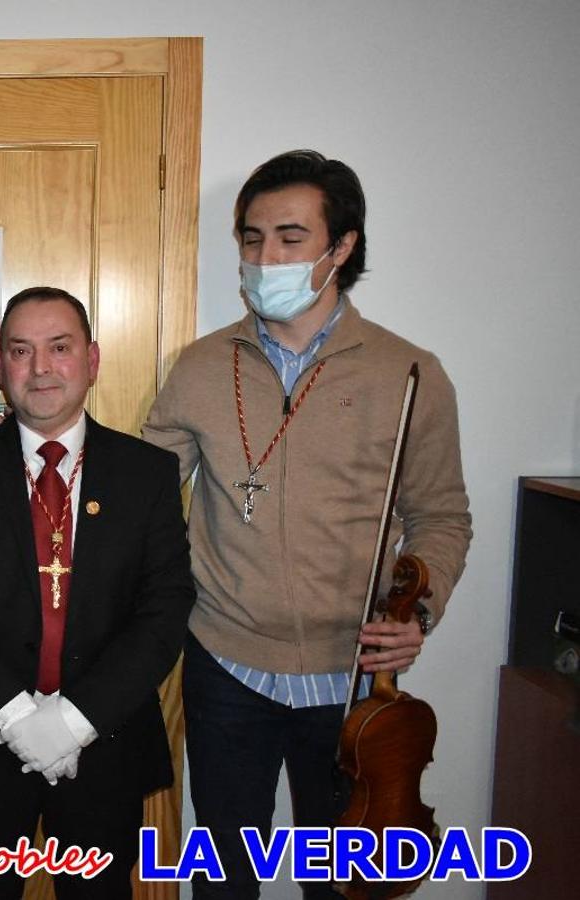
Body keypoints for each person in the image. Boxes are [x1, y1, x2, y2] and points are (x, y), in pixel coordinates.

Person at [141, 149, 472, 898]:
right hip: (226, 669)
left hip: (352, 682)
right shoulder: (197, 365)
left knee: (340, 887)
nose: (266, 258)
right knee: (224, 879)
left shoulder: (410, 373)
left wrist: (418, 609)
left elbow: (442, 517)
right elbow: (143, 502)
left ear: (341, 246)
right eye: (252, 240)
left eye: (290, 238)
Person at [0, 287, 196, 898]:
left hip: (105, 746)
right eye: (21, 350)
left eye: (59, 348)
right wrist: (18, 719)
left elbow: (164, 611)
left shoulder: (146, 473)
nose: (40, 368)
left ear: (91, 360)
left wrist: (73, 720)